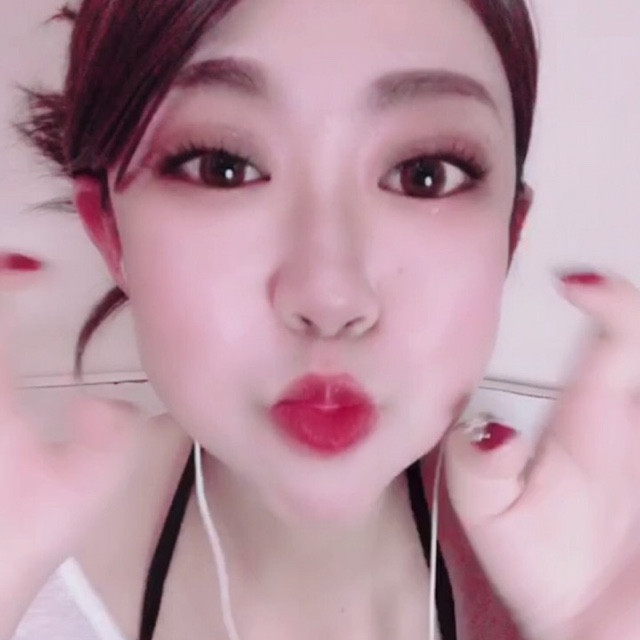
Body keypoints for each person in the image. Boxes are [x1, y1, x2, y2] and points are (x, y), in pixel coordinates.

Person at [1, 0, 639, 638]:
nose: (331, 300)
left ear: (508, 234)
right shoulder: (21, 564)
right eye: (223, 168)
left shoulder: (607, 565)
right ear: (111, 231)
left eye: (424, 176)